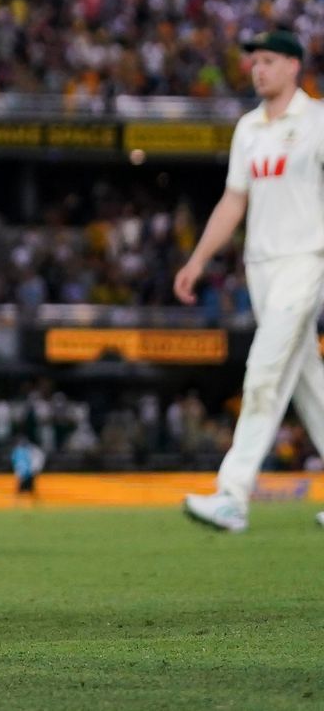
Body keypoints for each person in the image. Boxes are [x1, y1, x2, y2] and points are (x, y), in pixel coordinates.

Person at [175, 28, 324, 532]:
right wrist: (197, 261)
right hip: (261, 268)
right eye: (254, 62)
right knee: (310, 387)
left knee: (263, 370)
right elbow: (233, 201)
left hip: (306, 260)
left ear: (292, 66)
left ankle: (232, 494)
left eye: (267, 60)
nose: (257, 69)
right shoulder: (248, 129)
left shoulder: (318, 122)